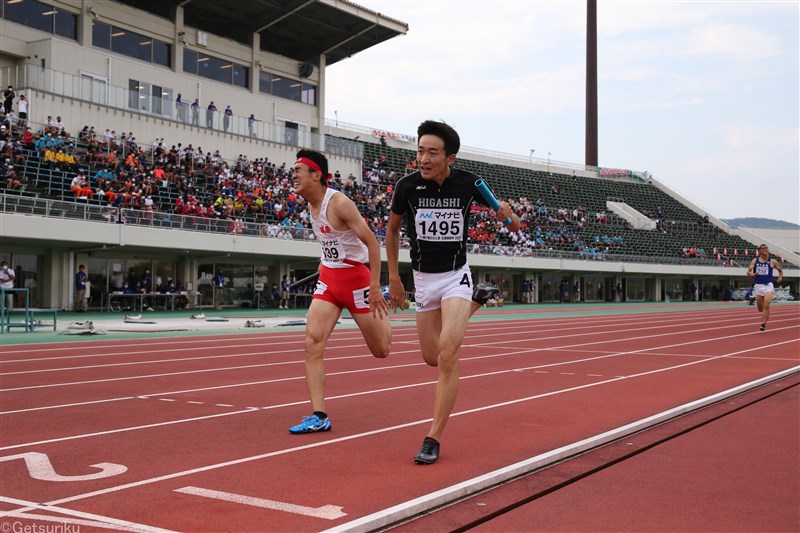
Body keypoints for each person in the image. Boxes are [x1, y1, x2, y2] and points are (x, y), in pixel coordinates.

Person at [386, 120, 520, 465]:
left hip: (455, 276)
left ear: (450, 157)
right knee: (431, 357)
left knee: (448, 353)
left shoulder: (470, 183)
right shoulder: (407, 186)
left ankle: (433, 437)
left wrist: (508, 214)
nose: (423, 158)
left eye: (432, 152)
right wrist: (395, 279)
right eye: (419, 151)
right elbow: (392, 231)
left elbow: (510, 223)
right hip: (423, 281)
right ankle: (478, 299)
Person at [288, 149, 391, 434]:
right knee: (312, 342)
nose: (293, 175)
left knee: (381, 350)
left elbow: (372, 243)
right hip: (329, 279)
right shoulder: (309, 205)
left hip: (357, 280)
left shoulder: (340, 203)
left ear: (316, 175)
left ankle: (384, 312)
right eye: (292, 170)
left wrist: (374, 285)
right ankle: (319, 415)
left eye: (299, 170)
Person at [747, 244, 783, 331]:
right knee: (760, 308)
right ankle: (764, 313)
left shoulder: (773, 261)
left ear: (768, 249)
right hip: (759, 286)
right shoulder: (755, 260)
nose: (764, 249)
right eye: (762, 248)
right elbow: (748, 271)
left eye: (766, 248)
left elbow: (780, 270)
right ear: (759, 251)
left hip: (768, 285)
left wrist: (780, 277)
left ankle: (763, 323)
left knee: (766, 304)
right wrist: (751, 274)